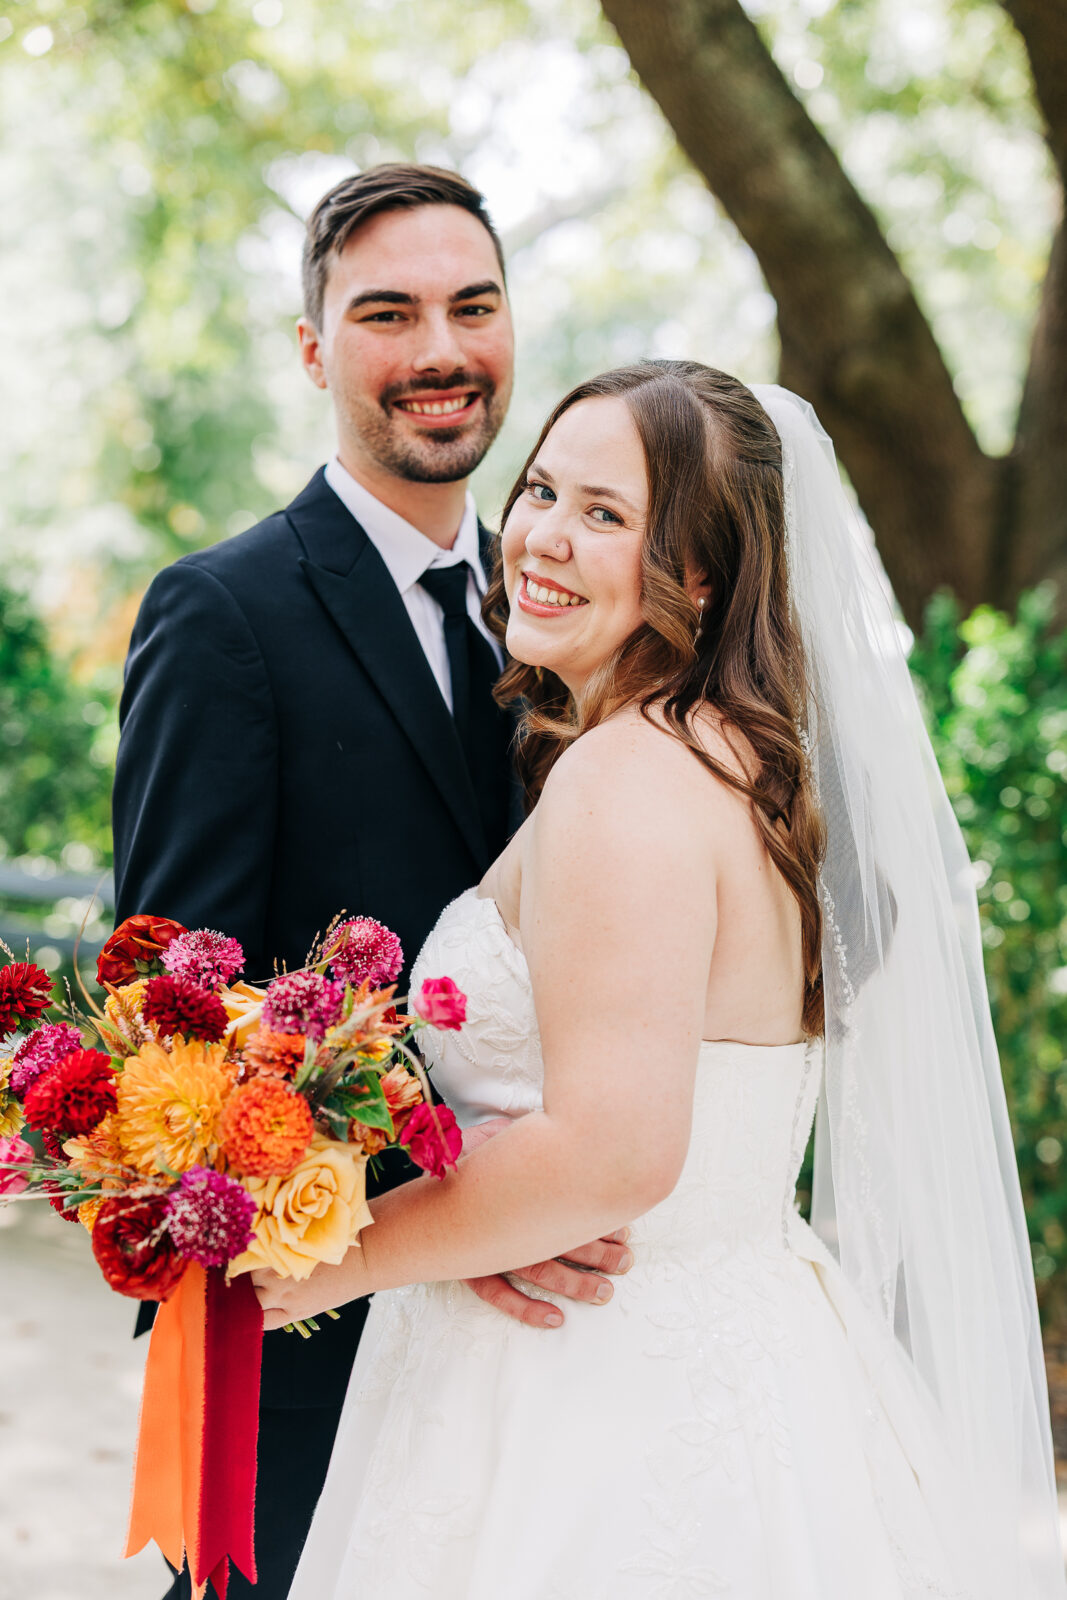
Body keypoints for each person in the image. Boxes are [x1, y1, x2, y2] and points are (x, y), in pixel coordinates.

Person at [256, 361, 1067, 1599]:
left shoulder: (625, 780)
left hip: (595, 1389)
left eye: (605, 515)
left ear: (695, 575)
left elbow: (612, 1153)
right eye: (539, 490)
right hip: (744, 1342)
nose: (540, 536)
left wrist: (328, 1257)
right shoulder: (743, 763)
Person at [110, 164, 632, 1600]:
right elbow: (180, 1022)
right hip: (312, 1339)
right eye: (386, 313)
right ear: (312, 350)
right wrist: (436, 1233)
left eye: (472, 306)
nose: (440, 352)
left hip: (558, 1333)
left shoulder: (566, 619)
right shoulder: (222, 617)